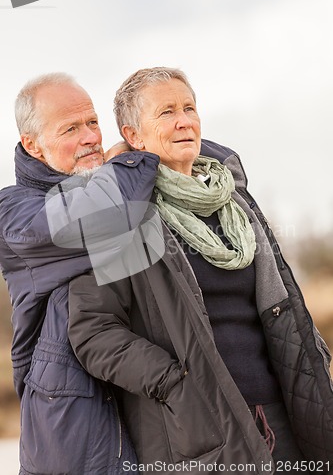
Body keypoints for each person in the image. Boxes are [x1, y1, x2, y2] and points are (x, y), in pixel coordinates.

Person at [68, 67, 333, 475]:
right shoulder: (122, 217)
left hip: (286, 415)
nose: (184, 120)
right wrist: (175, 383)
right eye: (167, 112)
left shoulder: (235, 203)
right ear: (134, 136)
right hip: (200, 429)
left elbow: (280, 303)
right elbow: (94, 332)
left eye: (189, 107)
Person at [0, 72, 161, 474]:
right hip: (71, 421)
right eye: (71, 128)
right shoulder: (14, 212)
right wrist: (132, 153)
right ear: (32, 145)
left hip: (142, 397)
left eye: (92, 122)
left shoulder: (114, 182)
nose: (90, 137)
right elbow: (107, 216)